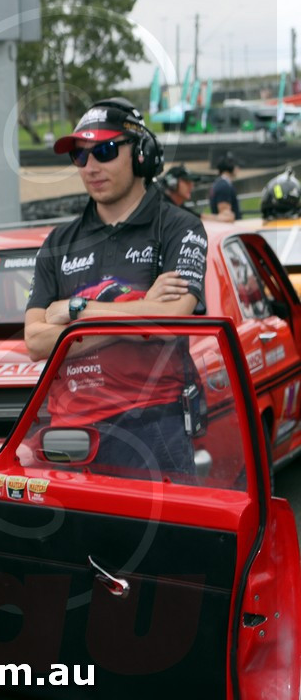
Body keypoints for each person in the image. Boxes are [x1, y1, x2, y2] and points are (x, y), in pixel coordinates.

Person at [26, 97, 209, 476]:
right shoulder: (58, 242)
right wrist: (140, 310)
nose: (91, 167)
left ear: (141, 155)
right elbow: (36, 342)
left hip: (154, 427)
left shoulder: (180, 227)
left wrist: (74, 310)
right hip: (70, 434)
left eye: (105, 151)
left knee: (164, 538)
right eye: (80, 156)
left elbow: (170, 320)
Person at [161, 164, 235, 222]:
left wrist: (221, 218)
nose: (191, 186)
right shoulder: (164, 209)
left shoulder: (175, 206)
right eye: (187, 182)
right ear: (172, 184)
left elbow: (198, 217)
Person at [208, 151, 241, 222]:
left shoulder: (220, 183)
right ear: (230, 166)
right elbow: (225, 217)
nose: (238, 169)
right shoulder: (224, 186)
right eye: (235, 165)